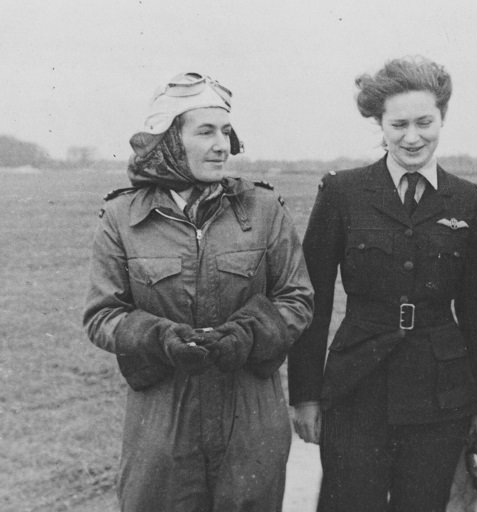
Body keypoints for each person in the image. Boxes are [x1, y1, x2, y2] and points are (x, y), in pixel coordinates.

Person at [83, 72, 314, 511]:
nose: (222, 145)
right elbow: (102, 315)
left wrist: (247, 334)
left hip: (250, 416)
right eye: (205, 132)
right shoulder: (121, 218)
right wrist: (159, 338)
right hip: (162, 419)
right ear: (169, 141)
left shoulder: (263, 209)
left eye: (226, 131)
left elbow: (296, 298)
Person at [288, 56, 477, 512]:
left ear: (442, 117)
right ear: (380, 125)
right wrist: (304, 395)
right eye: (398, 124)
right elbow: (312, 301)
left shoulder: (470, 201)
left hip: (440, 395)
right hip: (355, 388)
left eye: (424, 122)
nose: (412, 137)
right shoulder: (342, 192)